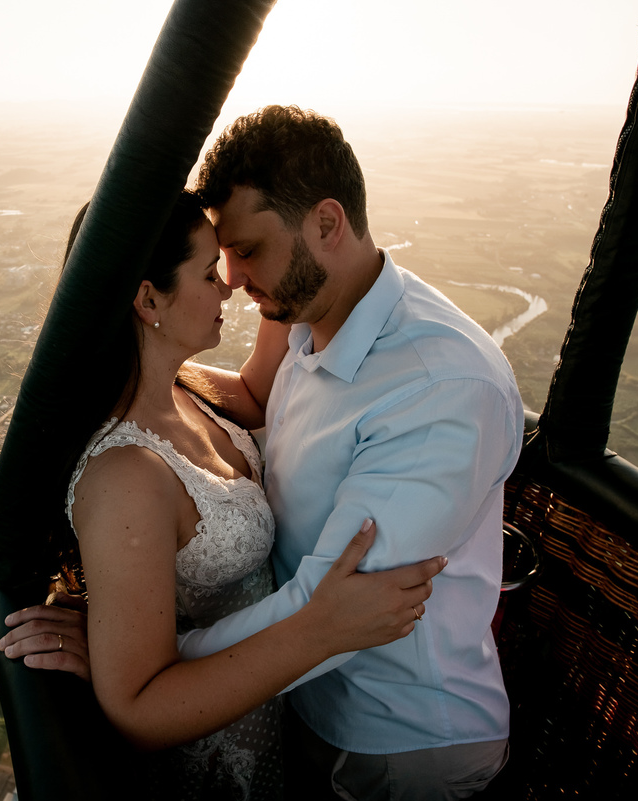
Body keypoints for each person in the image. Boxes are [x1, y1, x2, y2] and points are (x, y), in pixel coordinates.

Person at [0, 190, 447, 800]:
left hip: (267, 722)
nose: (228, 287)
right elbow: (140, 711)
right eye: (210, 273)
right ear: (148, 298)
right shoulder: (126, 475)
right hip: (214, 768)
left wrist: (280, 275)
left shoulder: (182, 387)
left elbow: (258, 395)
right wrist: (323, 629)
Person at [174, 105, 524, 800]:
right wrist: (141, 379)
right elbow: (253, 393)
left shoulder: (436, 387)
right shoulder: (310, 312)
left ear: (327, 224)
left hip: (403, 742)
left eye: (248, 249)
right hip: (304, 700)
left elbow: (335, 613)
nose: (235, 277)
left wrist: (163, 662)